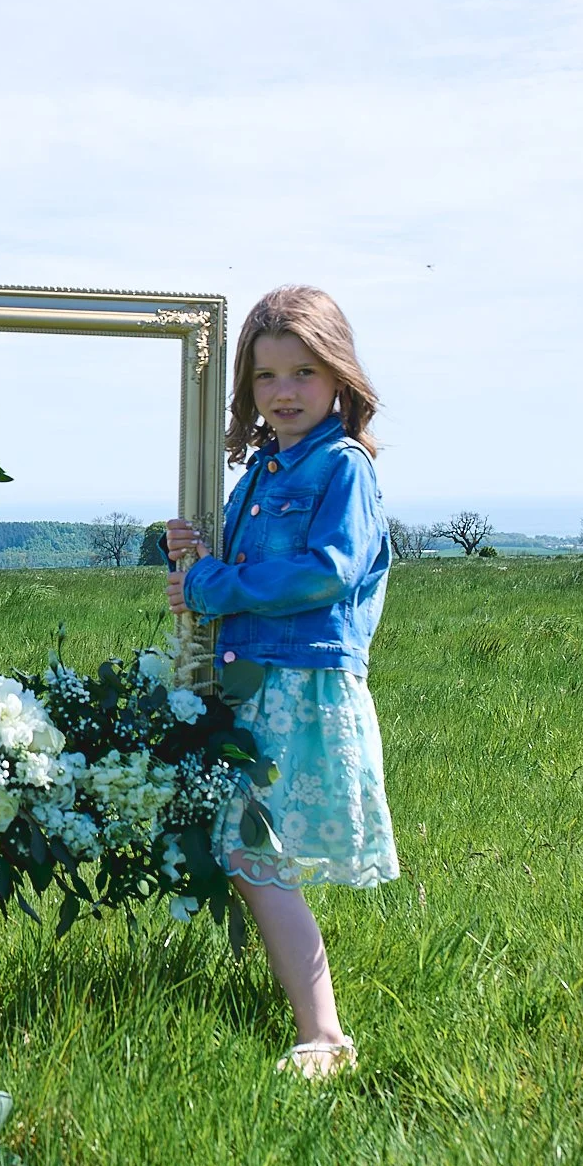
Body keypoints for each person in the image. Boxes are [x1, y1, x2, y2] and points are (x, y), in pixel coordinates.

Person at [164, 285, 397, 1081]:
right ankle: (311, 1020)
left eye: (303, 371)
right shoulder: (263, 468)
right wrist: (194, 556)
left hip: (303, 682)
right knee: (251, 854)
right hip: (257, 678)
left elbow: (328, 571)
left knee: (256, 853)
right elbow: (237, 566)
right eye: (266, 375)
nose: (284, 391)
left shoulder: (343, 467)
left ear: (339, 375)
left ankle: (325, 1036)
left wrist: (216, 585)